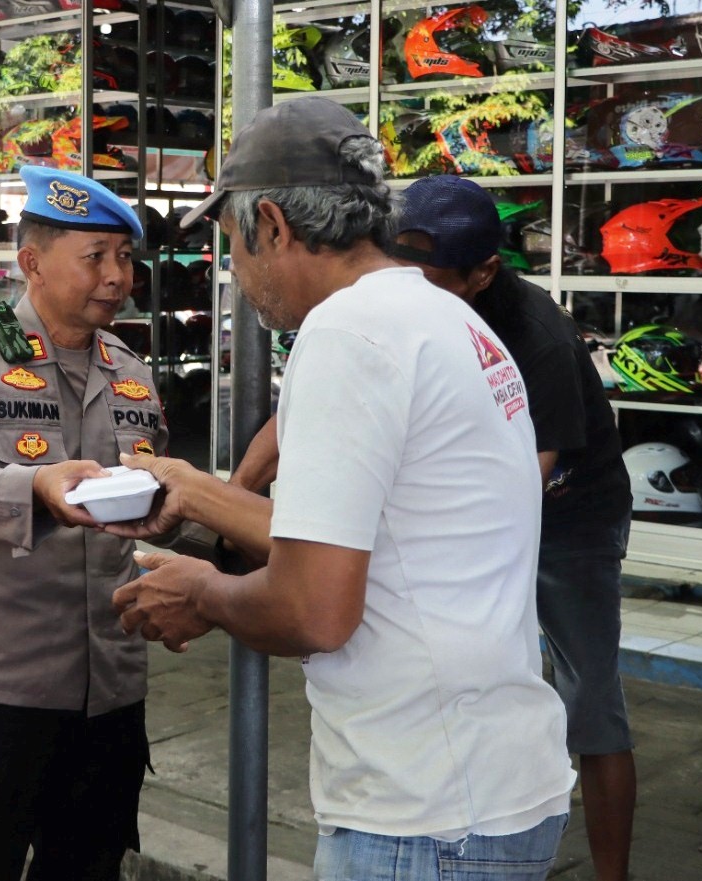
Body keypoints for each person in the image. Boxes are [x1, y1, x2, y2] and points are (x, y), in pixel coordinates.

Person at [107, 98, 576, 881]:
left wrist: (205, 592)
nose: (236, 274)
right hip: (492, 782)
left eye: (232, 247)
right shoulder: (444, 315)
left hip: (421, 811)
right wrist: (193, 490)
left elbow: (314, 608)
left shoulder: (346, 334)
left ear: (273, 224)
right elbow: (379, 537)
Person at [0, 166, 166, 881]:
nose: (117, 276)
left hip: (107, 691)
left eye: (124, 258)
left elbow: (159, 502)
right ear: (32, 263)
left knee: (87, 866)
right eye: (96, 257)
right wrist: (37, 488)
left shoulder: (131, 369)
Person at [391, 175, 636, 881]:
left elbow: (529, 480)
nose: (411, 290)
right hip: (485, 502)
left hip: (570, 516)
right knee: (470, 675)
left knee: (589, 698)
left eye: (430, 279)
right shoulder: (406, 299)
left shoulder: (538, 337)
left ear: (484, 272)